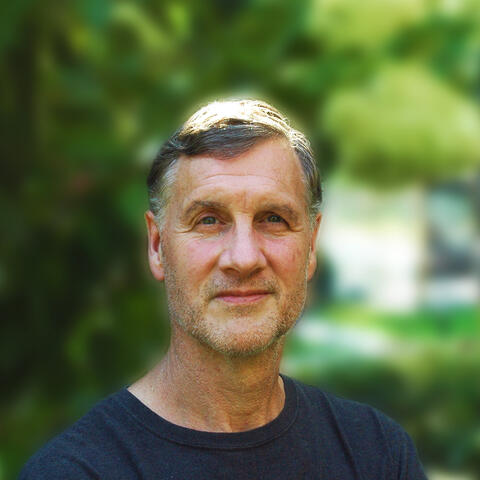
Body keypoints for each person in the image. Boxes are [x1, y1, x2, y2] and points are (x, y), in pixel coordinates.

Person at [20, 99, 427, 479]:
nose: (244, 258)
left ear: (311, 246)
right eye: (209, 220)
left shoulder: (378, 455)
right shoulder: (77, 471)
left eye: (273, 218)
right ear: (157, 246)